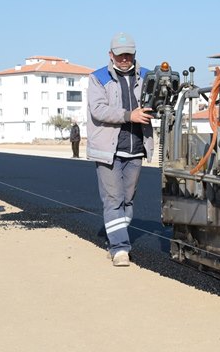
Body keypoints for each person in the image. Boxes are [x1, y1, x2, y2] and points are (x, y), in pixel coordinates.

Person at [87, 32, 155, 266]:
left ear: (134, 54)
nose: (124, 59)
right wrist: (129, 115)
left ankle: (116, 238)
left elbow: (158, 101)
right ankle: (120, 248)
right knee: (113, 199)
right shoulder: (98, 78)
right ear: (111, 55)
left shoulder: (147, 76)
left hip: (136, 148)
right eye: (120, 55)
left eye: (128, 54)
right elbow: (99, 110)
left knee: (127, 200)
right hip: (109, 151)